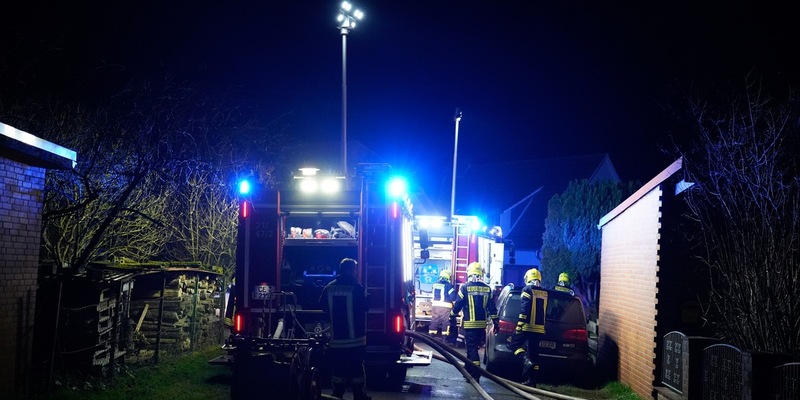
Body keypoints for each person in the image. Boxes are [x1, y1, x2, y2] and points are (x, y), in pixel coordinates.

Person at [319, 258, 371, 400]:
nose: (356, 272)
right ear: (350, 270)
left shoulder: (328, 288)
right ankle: (358, 395)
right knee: (356, 370)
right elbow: (366, 306)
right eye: (355, 269)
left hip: (337, 340)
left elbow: (323, 308)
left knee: (338, 368)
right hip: (356, 340)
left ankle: (337, 394)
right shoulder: (358, 288)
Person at [451, 262, 498, 383]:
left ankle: (476, 374)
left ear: (469, 273)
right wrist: (496, 322)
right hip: (481, 325)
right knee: (472, 348)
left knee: (472, 350)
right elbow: (492, 308)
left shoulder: (465, 287)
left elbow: (458, 304)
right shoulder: (487, 289)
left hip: (470, 325)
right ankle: (468, 371)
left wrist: (452, 315)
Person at [507, 267, 548, 387]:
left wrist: (519, 325)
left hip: (527, 326)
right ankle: (532, 381)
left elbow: (524, 309)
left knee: (513, 344)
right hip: (539, 328)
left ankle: (525, 361)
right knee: (534, 354)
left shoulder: (527, 289)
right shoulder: (544, 292)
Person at [428, 269, 456, 341]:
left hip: (435, 306)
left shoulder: (434, 284)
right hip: (445, 306)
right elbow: (453, 297)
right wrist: (455, 304)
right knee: (445, 321)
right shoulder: (449, 285)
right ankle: (444, 337)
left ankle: (431, 336)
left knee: (434, 320)